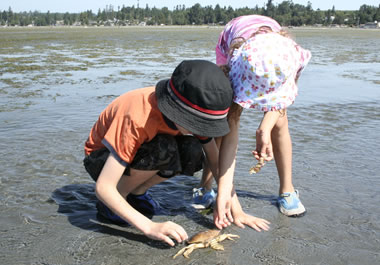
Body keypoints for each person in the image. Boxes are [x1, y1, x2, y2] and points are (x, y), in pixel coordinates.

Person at [83, 60, 235, 246]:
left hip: (142, 153)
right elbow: (103, 187)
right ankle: (117, 199)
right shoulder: (137, 116)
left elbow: (214, 158)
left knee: (193, 149)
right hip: (101, 158)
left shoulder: (196, 106)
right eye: (197, 124)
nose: (200, 129)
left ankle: (137, 192)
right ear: (177, 110)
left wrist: (228, 198)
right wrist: (149, 227)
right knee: (165, 146)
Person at [205, 15, 311, 223]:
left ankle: (287, 190)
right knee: (224, 121)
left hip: (272, 53)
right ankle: (207, 185)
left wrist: (264, 128)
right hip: (236, 43)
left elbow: (282, 99)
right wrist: (225, 194)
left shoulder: (291, 56)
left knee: (280, 123)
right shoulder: (235, 67)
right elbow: (230, 136)